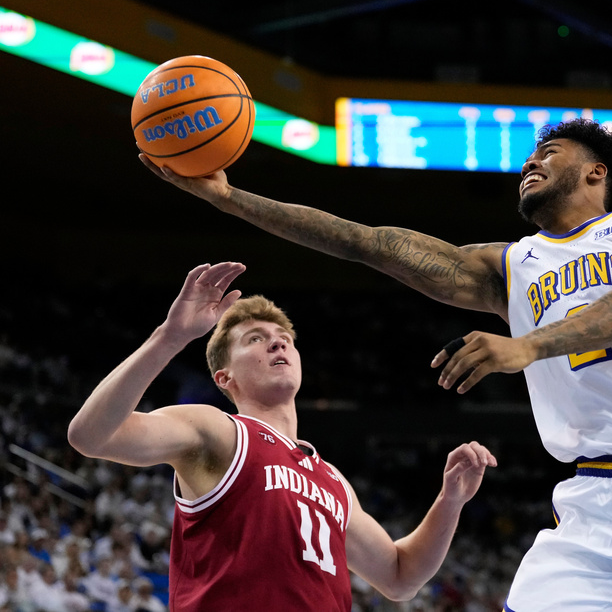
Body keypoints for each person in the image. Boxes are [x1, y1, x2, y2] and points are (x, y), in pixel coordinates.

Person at [142, 118, 612, 610]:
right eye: (531, 156)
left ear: (597, 172)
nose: (531, 162)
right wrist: (230, 200)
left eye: (551, 154)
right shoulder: (511, 268)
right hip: (592, 498)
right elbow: (365, 242)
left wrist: (523, 348)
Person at [67, 262, 496, 612]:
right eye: (257, 339)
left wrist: (450, 501)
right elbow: (91, 436)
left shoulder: (332, 479)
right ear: (224, 376)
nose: (277, 345)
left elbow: (401, 578)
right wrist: (171, 336)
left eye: (284, 339)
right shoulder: (217, 430)